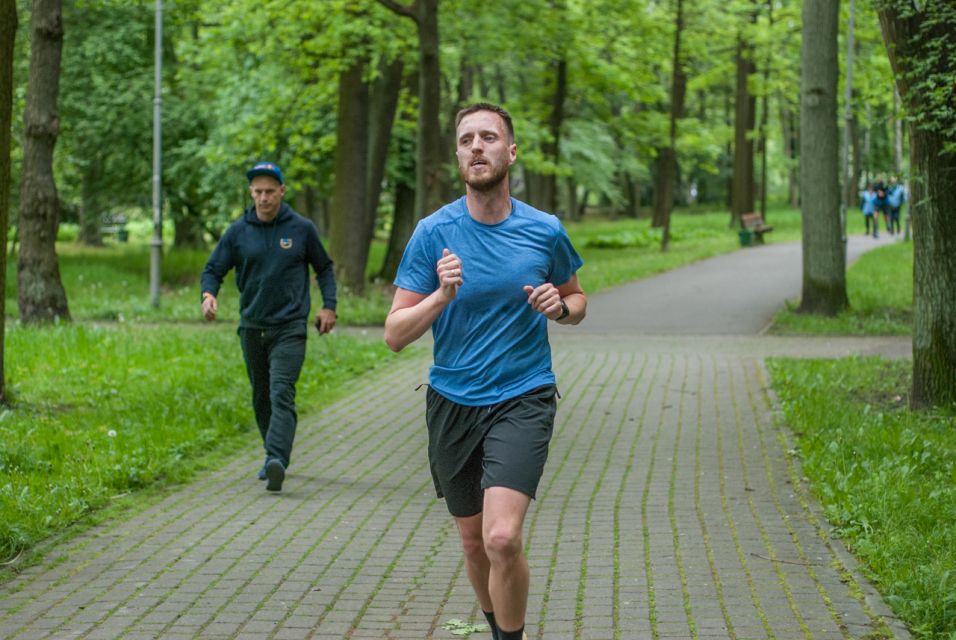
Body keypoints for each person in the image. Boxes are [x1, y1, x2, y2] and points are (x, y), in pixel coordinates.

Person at [384, 103, 587, 640]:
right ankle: (499, 626)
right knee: (473, 543)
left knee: (502, 538)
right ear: (457, 154)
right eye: (467, 139)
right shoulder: (433, 233)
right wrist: (441, 295)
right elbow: (395, 334)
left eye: (489, 137)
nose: (477, 146)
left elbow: (578, 299)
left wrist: (559, 308)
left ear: (510, 151)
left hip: (524, 396)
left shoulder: (544, 231)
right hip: (452, 402)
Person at [200, 161, 337, 493]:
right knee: (261, 397)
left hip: (289, 326)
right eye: (258, 192)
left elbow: (325, 269)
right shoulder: (237, 232)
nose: (263, 198)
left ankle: (277, 459)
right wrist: (208, 295)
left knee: (281, 392)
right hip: (251, 326)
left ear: (281, 192)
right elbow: (213, 269)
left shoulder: (301, 229)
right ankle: (270, 456)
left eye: (269, 192)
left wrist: (328, 306)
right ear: (251, 193)